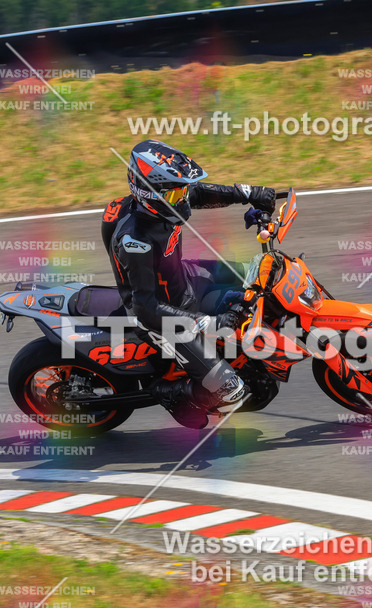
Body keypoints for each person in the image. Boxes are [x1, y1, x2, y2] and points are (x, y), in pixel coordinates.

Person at [101, 139, 276, 428]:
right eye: (175, 194)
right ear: (149, 193)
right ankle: (171, 393)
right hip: (159, 315)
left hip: (180, 278)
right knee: (233, 391)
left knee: (256, 275)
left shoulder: (159, 201)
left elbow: (197, 193)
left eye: (180, 190)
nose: (183, 200)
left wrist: (248, 193)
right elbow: (146, 308)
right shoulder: (135, 242)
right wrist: (210, 321)